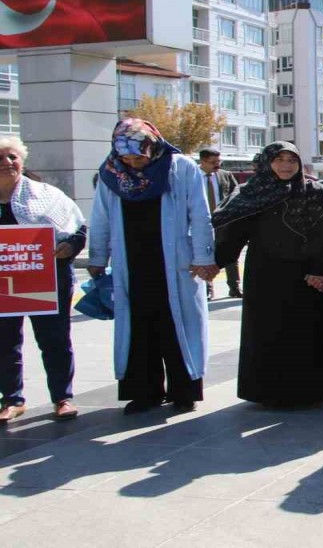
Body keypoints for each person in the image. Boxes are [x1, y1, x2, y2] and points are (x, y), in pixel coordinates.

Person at [88, 119, 218, 414]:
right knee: (138, 325)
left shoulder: (180, 168)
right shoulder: (110, 173)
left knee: (178, 325)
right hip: (131, 262)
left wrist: (203, 257)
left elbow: (199, 214)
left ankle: (184, 391)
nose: (134, 163)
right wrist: (97, 257)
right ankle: (144, 391)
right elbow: (100, 217)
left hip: (175, 262)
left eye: (139, 156)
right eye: (128, 158)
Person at [212, 142, 323, 407]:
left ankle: (313, 391)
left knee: (309, 333)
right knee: (268, 332)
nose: (286, 165)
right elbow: (233, 234)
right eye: (279, 159)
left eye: (291, 160)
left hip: (308, 276)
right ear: (267, 162)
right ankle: (268, 392)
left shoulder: (316, 192)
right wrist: (213, 263)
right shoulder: (252, 193)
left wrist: (322, 270)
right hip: (266, 275)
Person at [0, 137, 87, 423]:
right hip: (4, 284)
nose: (6, 162)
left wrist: (69, 247)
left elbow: (77, 230)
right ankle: (12, 399)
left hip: (47, 280)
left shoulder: (47, 195)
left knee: (55, 340)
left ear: (22, 160)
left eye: (12, 156)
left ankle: (62, 397)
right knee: (4, 342)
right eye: (0, 158)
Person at [199, 148, 242, 300]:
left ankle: (234, 287)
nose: (217, 165)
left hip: (224, 222)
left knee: (230, 254)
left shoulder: (225, 175)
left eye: (219, 162)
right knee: (205, 255)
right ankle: (208, 288)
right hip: (201, 223)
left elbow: (237, 195)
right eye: (213, 162)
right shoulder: (193, 177)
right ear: (202, 161)